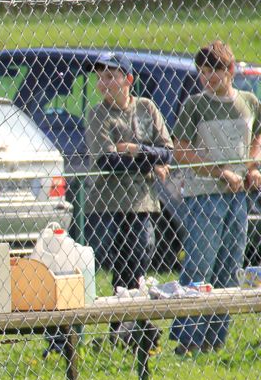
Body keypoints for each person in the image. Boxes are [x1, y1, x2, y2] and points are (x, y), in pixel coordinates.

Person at [170, 40, 261, 354]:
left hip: (238, 197)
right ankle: (187, 339)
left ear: (230, 70)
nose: (206, 78)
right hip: (204, 195)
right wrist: (219, 171)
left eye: (213, 71)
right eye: (202, 72)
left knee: (229, 266)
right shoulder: (195, 105)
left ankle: (214, 339)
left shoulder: (249, 101)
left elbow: (258, 136)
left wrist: (252, 166)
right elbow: (181, 151)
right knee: (200, 264)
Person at [84, 53, 173, 350]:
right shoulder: (98, 114)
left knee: (138, 263)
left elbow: (167, 151)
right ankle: (116, 329)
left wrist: (134, 149)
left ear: (128, 80)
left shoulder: (146, 108)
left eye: (110, 76)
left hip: (143, 203)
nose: (103, 83)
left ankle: (128, 331)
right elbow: (107, 160)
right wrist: (149, 162)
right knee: (115, 266)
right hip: (108, 205)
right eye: (100, 77)